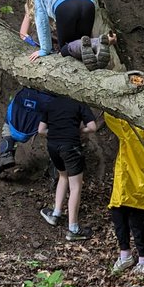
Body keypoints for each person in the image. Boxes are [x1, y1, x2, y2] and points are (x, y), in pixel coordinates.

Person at [37, 92, 98, 241]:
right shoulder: (79, 103)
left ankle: (55, 214)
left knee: (62, 176)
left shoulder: (51, 103)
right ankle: (73, 229)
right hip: (70, 147)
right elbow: (92, 127)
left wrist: (57, 132)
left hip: (53, 146)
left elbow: (41, 131)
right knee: (76, 186)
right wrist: (78, 131)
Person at [105, 113, 144, 276]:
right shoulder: (136, 130)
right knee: (121, 218)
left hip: (135, 184)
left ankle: (143, 259)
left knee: (136, 224)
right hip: (127, 185)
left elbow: (109, 117)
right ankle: (126, 255)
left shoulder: (129, 131)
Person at [26, 0, 97, 62]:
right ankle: (96, 47)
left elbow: (41, 19)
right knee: (83, 43)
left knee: (65, 48)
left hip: (65, 5)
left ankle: (96, 44)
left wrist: (45, 49)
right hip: (89, 3)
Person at [0, 86, 51, 174]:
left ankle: (6, 155)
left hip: (25, 97)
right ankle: (57, 165)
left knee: (8, 126)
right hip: (46, 100)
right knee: (53, 128)